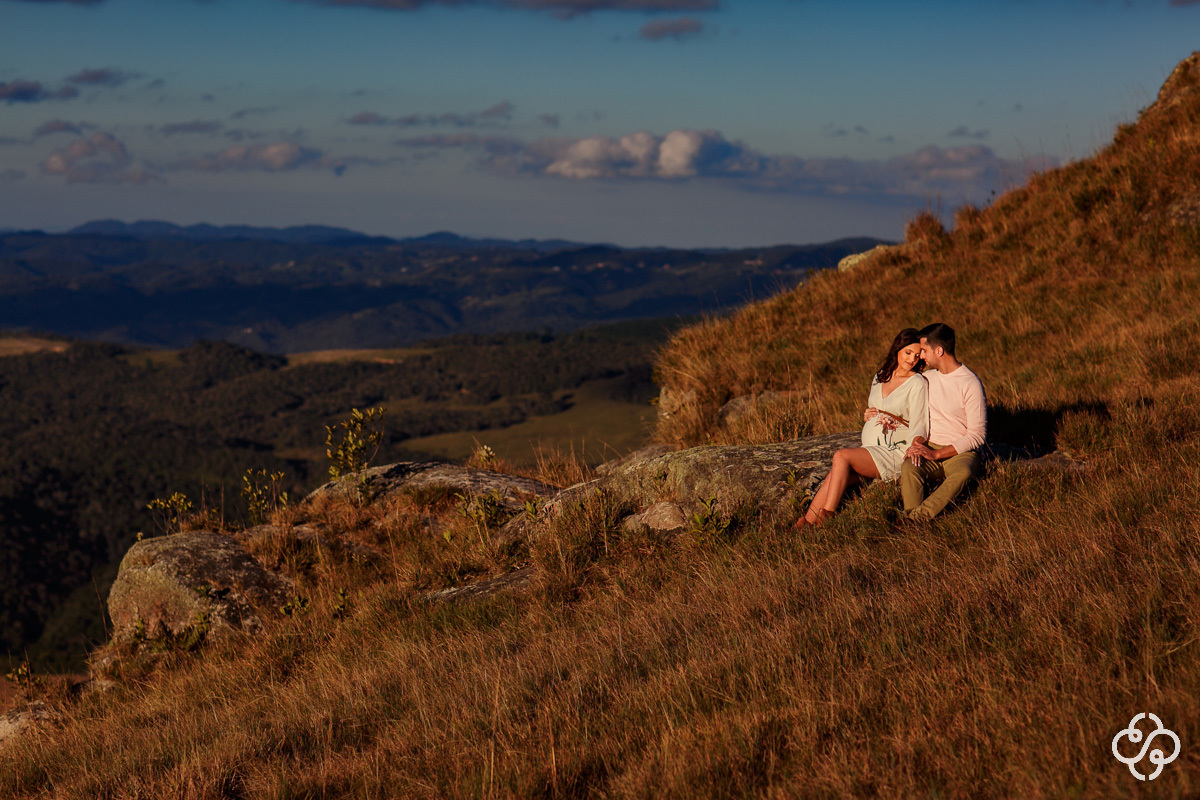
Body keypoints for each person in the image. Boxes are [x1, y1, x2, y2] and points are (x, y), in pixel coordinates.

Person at [796, 328, 929, 529]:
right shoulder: (880, 376)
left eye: (917, 356)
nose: (912, 359)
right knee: (834, 474)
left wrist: (915, 447)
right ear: (898, 349)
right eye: (908, 353)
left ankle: (827, 517)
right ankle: (805, 524)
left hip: (896, 451)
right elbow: (875, 407)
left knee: (841, 456)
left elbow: (919, 421)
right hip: (872, 448)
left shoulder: (917, 382)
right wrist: (867, 414)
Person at [900, 322, 987, 520]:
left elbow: (977, 435)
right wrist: (875, 413)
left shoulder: (970, 383)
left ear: (939, 351)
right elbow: (909, 408)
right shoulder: (927, 378)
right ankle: (912, 519)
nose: (921, 356)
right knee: (909, 467)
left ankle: (916, 519)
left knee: (963, 473)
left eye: (924, 351)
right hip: (930, 445)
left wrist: (937, 454)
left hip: (960, 452)